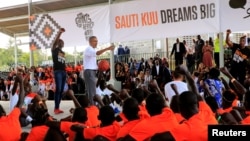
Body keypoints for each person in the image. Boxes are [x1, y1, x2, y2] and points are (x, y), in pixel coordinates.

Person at [83, 36, 114, 105]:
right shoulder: (89, 49)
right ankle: (93, 107)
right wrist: (108, 48)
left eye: (97, 41)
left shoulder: (92, 50)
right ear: (90, 42)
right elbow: (98, 53)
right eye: (94, 41)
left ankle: (92, 105)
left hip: (91, 71)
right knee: (92, 91)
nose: (96, 42)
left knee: (92, 90)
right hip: (89, 71)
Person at [51, 28, 66, 114]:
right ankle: (56, 108)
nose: (62, 42)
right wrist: (59, 33)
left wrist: (66, 73)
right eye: (60, 41)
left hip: (63, 72)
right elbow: (55, 41)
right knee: (58, 89)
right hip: (58, 72)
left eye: (62, 42)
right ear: (57, 43)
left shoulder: (63, 52)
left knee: (61, 90)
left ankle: (58, 107)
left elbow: (63, 63)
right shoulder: (54, 50)